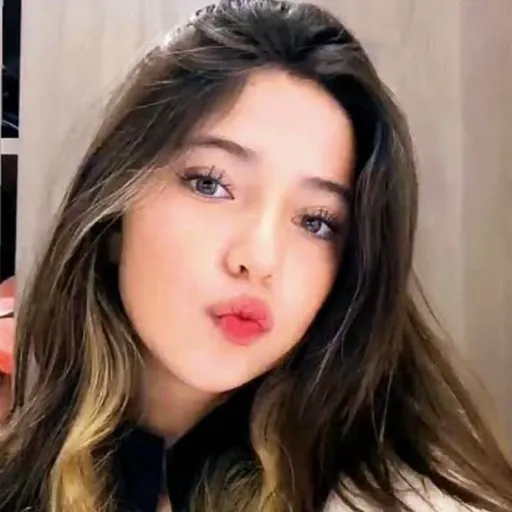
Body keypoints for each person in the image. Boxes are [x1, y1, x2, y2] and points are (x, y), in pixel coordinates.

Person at [0, 1, 511, 511]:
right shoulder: (26, 465)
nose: (260, 258)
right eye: (211, 184)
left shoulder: (401, 501)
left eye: (316, 221)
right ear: (115, 213)